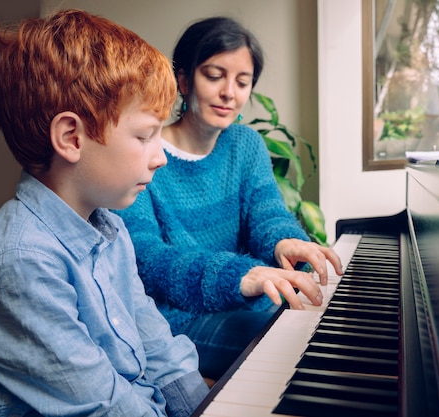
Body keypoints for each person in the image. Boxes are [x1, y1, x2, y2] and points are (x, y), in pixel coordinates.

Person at [0, 9, 210, 417]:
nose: (160, 158)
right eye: (144, 135)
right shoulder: (20, 258)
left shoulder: (110, 228)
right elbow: (101, 403)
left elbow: (158, 346)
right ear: (71, 137)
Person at [116, 16, 343, 382]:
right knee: (300, 345)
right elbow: (145, 259)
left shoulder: (245, 144)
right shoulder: (145, 151)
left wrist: (285, 240)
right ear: (184, 79)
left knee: (322, 321)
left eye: (242, 82)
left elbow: (267, 214)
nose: (229, 93)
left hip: (246, 300)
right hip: (178, 319)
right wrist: (240, 276)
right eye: (214, 75)